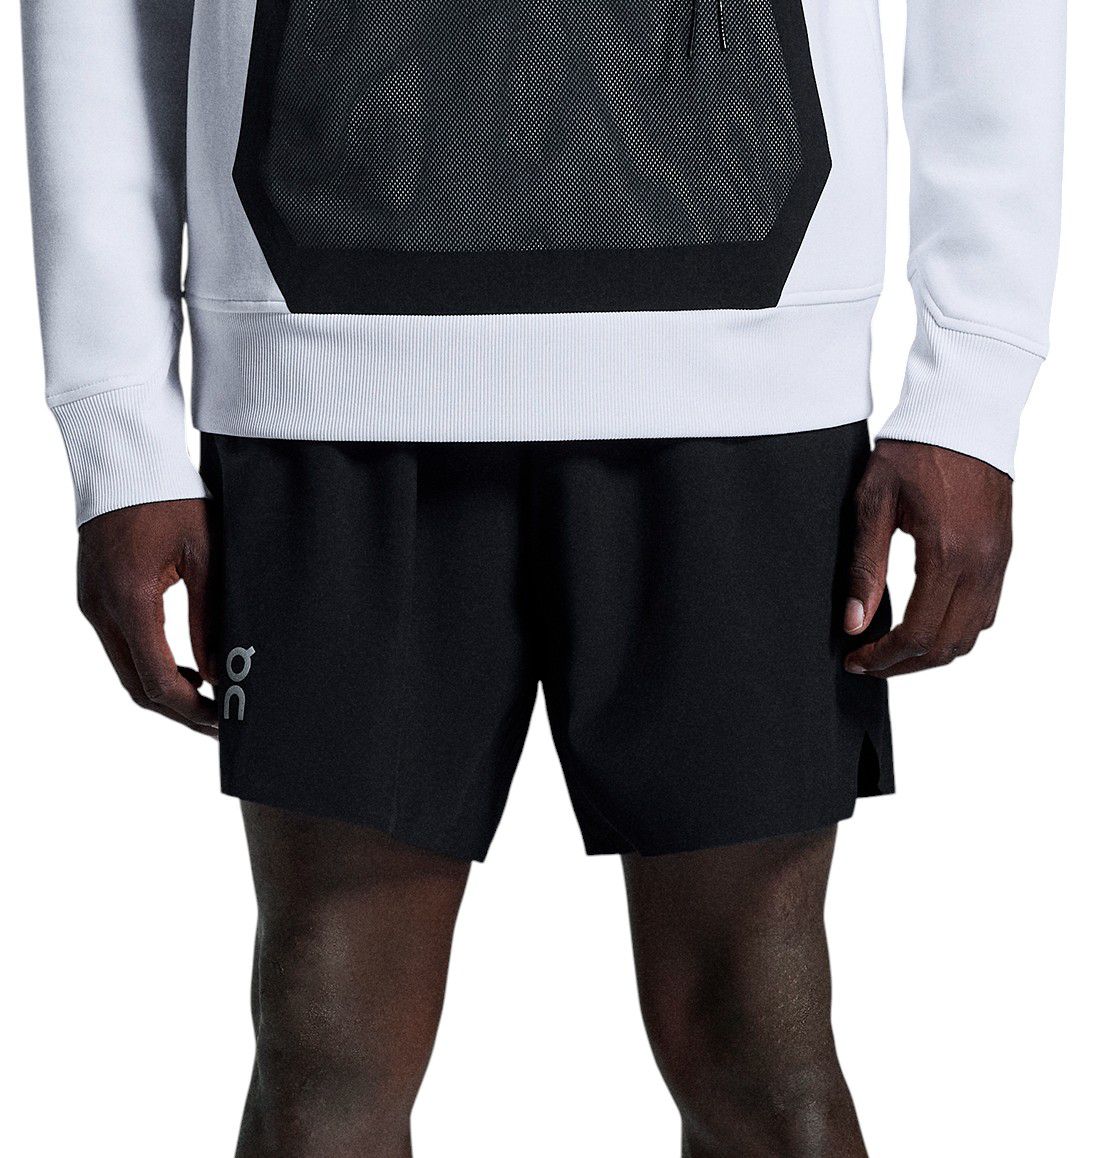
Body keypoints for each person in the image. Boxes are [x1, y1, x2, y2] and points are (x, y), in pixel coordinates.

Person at [21, 1, 1065, 1154]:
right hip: (326, 355)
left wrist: (971, 387)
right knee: (327, 1045)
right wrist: (117, 426)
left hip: (742, 363)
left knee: (758, 1044)